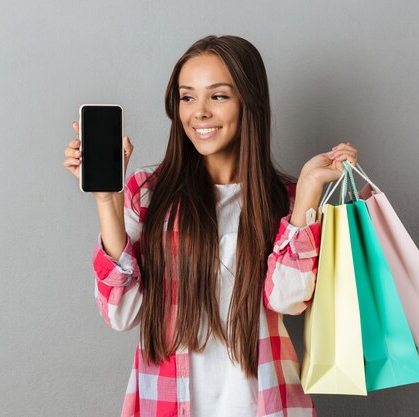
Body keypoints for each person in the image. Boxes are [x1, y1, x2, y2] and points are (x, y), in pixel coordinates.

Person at [63, 35, 357, 417]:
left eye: (217, 96)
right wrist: (107, 201)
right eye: (187, 97)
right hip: (167, 402)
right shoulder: (147, 193)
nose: (198, 112)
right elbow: (121, 314)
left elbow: (286, 300)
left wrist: (307, 195)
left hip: (265, 404)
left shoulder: (284, 198)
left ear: (249, 102)